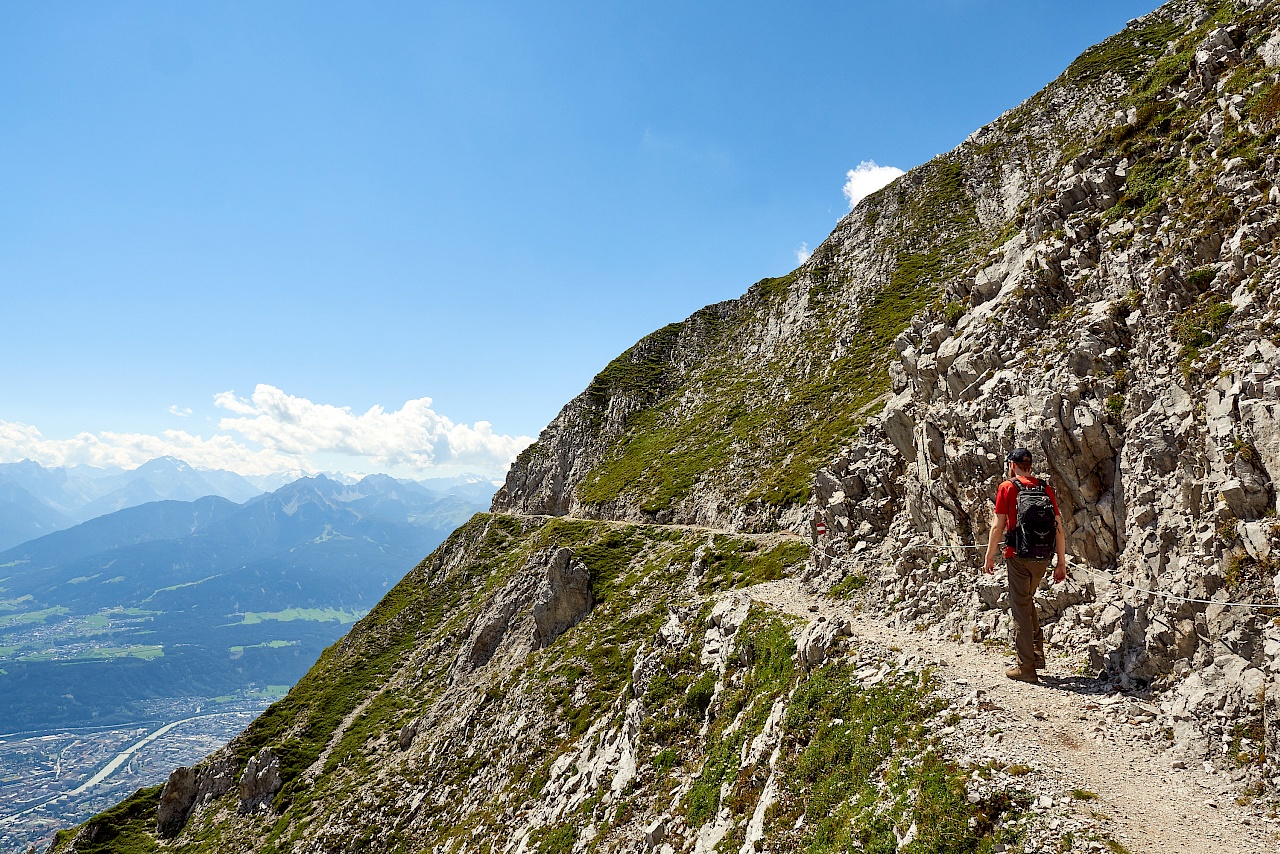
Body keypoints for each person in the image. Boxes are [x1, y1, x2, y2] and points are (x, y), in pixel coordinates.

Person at [982, 447, 1067, 684]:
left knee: (1019, 608)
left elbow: (998, 526)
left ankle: (1026, 667)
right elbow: (1058, 526)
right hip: (1043, 557)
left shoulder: (1007, 487)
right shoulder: (1044, 487)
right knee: (1027, 600)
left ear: (1012, 464)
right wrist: (1061, 561)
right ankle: (1037, 653)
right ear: (1030, 465)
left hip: (1018, 555)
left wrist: (989, 555)